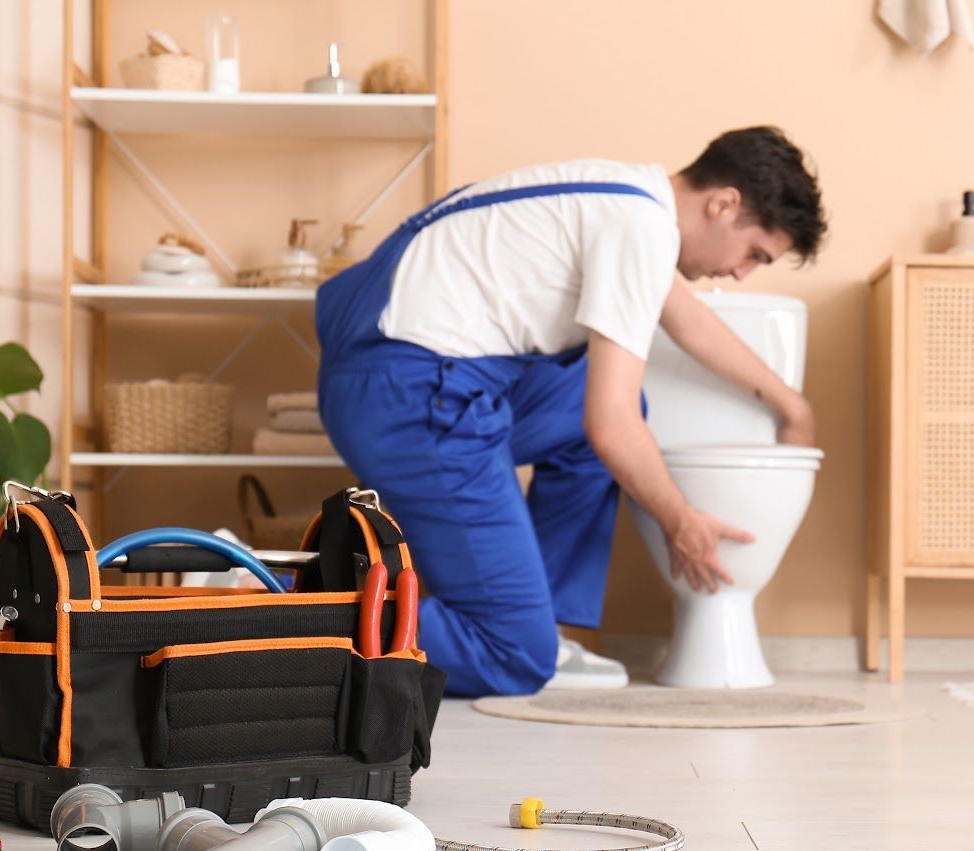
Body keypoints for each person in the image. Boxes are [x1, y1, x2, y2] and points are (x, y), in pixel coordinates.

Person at [315, 126, 826, 697]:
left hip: (398, 381)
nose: (741, 273)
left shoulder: (624, 195)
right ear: (724, 203)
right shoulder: (640, 227)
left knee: (611, 396)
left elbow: (688, 323)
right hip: (414, 398)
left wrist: (788, 402)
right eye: (754, 253)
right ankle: (281, 605)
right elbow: (610, 427)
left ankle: (545, 623)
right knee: (512, 654)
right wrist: (682, 522)